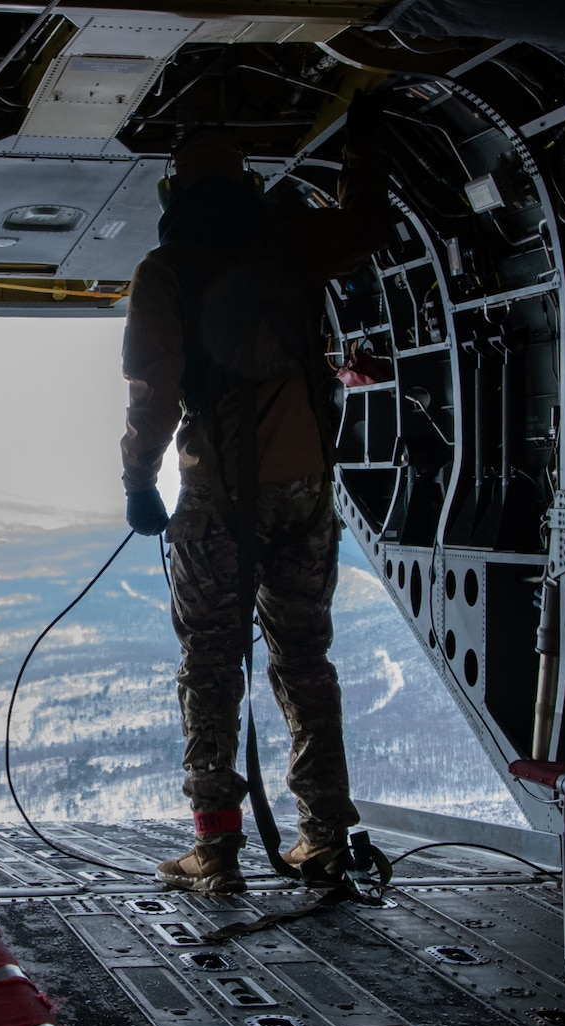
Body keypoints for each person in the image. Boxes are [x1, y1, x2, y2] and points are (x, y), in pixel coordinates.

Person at [118, 116, 392, 894]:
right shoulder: (294, 245)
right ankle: (326, 838)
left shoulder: (165, 270)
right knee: (306, 663)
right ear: (244, 183)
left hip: (219, 500)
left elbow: (154, 393)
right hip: (307, 492)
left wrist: (139, 483)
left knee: (210, 666)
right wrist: (362, 140)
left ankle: (216, 848)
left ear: (174, 190)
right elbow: (370, 224)